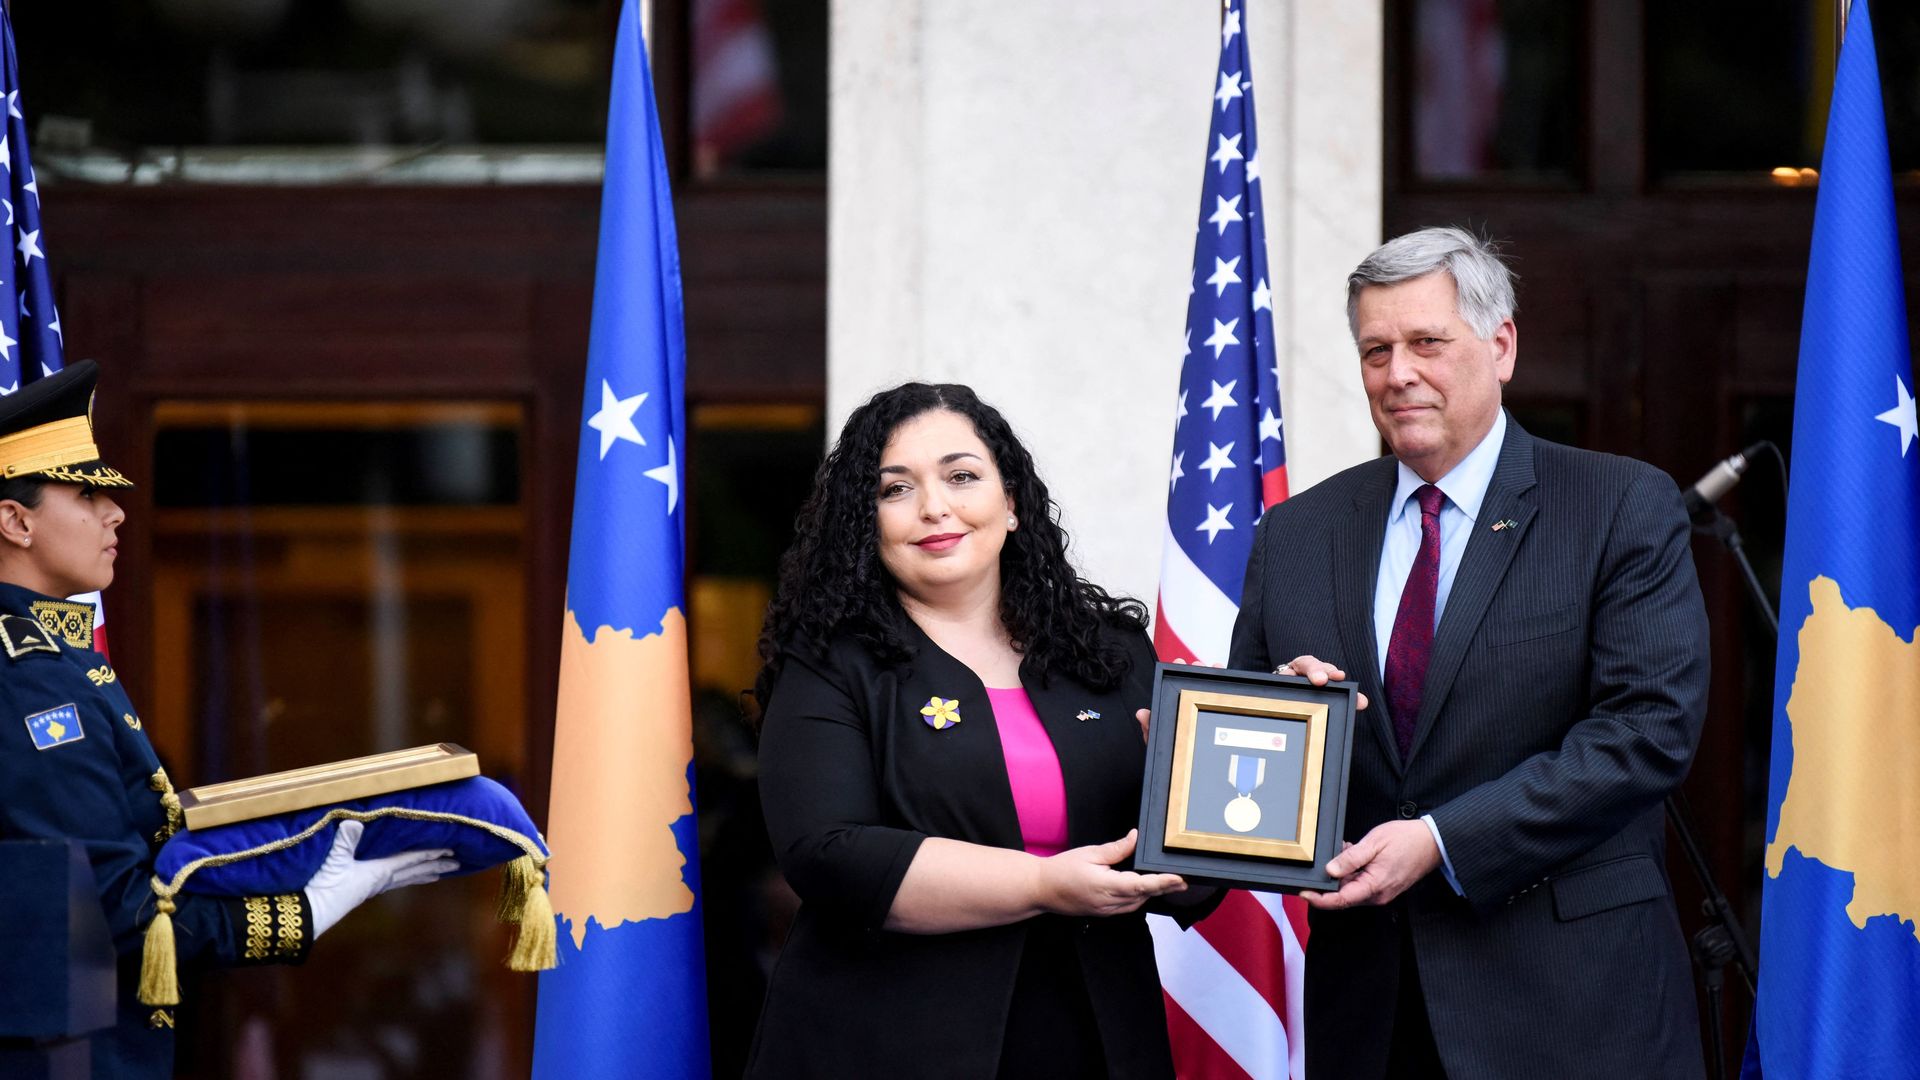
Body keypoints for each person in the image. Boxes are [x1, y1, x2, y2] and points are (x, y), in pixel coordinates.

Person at [1229, 228, 1708, 1079]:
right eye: (1376, 350)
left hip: (1575, 1010)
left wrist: (1443, 840)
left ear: (1502, 344)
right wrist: (1260, 729)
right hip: (1371, 1016)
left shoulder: (1620, 504)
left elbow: (1647, 731)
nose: (1398, 373)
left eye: (1426, 342)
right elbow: (1255, 771)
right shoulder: (1295, 535)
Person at [0, 360, 457, 1079]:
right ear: (14, 520)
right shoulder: (29, 680)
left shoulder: (52, 656)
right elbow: (111, 911)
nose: (116, 513)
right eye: (87, 495)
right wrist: (298, 914)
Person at [747, 382, 1193, 1079]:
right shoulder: (830, 662)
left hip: (1094, 1037)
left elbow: (1193, 871)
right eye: (895, 489)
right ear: (867, 522)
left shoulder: (1108, 653)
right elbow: (829, 853)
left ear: (1011, 501)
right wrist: (1044, 884)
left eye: (962, 476)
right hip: (890, 1044)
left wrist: (1279, 726)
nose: (934, 508)